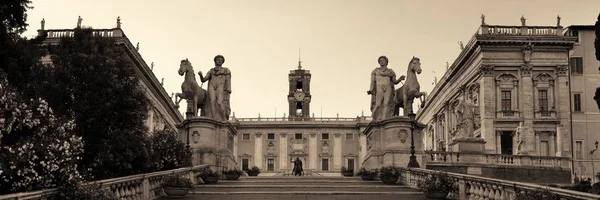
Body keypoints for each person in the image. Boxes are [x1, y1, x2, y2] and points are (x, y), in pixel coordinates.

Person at [367, 56, 404, 121]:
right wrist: (371, 89)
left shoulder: (391, 71)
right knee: (378, 104)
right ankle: (374, 116)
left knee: (386, 104)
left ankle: (384, 120)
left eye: (383, 60)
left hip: (388, 87)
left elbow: (394, 81)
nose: (382, 61)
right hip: (379, 87)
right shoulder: (375, 71)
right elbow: (372, 82)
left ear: (386, 62)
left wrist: (400, 79)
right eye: (380, 60)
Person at [199, 55, 232, 121]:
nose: (219, 61)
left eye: (221, 60)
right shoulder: (211, 71)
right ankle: (213, 119)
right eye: (218, 60)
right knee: (212, 101)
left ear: (222, 62)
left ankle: (224, 118)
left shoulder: (226, 70)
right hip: (212, 85)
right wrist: (200, 75)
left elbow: (228, 80)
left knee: (220, 102)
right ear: (215, 61)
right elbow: (203, 80)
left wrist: (228, 88)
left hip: (220, 85)